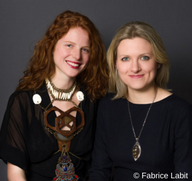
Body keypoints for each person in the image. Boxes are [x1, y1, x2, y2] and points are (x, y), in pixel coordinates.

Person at [0, 10, 108, 181]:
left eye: (85, 49)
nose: (77, 55)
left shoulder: (95, 100)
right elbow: (16, 172)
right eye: (69, 45)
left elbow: (102, 166)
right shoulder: (22, 101)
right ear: (51, 46)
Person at [89, 21, 192, 181]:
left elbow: (184, 175)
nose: (135, 68)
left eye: (144, 57)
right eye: (125, 59)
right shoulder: (107, 106)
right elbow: (99, 171)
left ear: (158, 61)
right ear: (115, 63)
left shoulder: (181, 112)